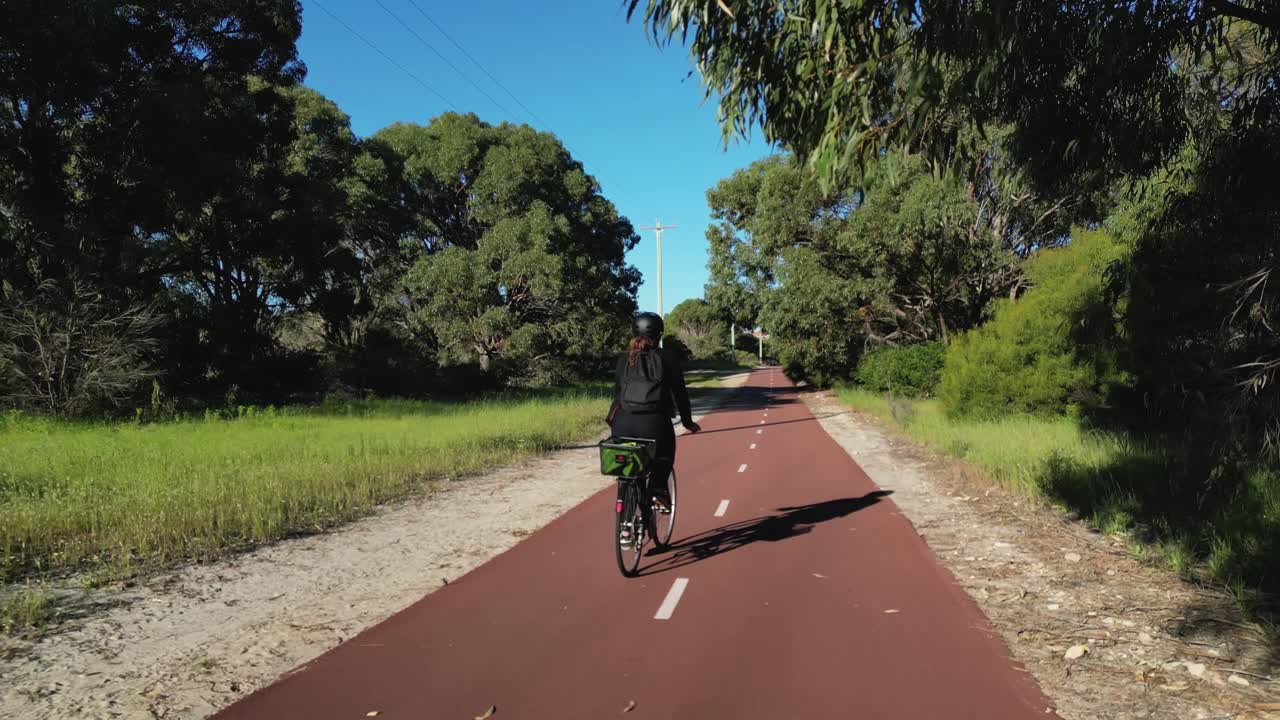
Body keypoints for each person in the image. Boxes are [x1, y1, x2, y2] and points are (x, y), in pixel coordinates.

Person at [609, 311, 700, 524]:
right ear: (659, 334)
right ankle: (658, 491)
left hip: (623, 423)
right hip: (654, 423)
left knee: (628, 469)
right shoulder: (667, 357)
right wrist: (688, 422)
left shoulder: (623, 359)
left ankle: (625, 524)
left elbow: (617, 394)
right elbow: (680, 394)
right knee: (664, 456)